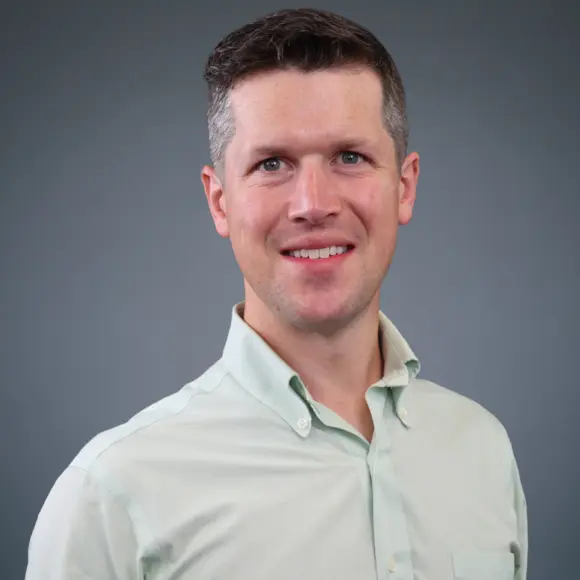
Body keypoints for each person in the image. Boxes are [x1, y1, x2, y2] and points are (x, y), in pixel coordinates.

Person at [25, 8, 527, 580]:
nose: (313, 203)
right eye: (271, 164)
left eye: (350, 157)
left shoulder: (484, 451)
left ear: (404, 187)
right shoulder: (111, 497)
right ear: (219, 201)